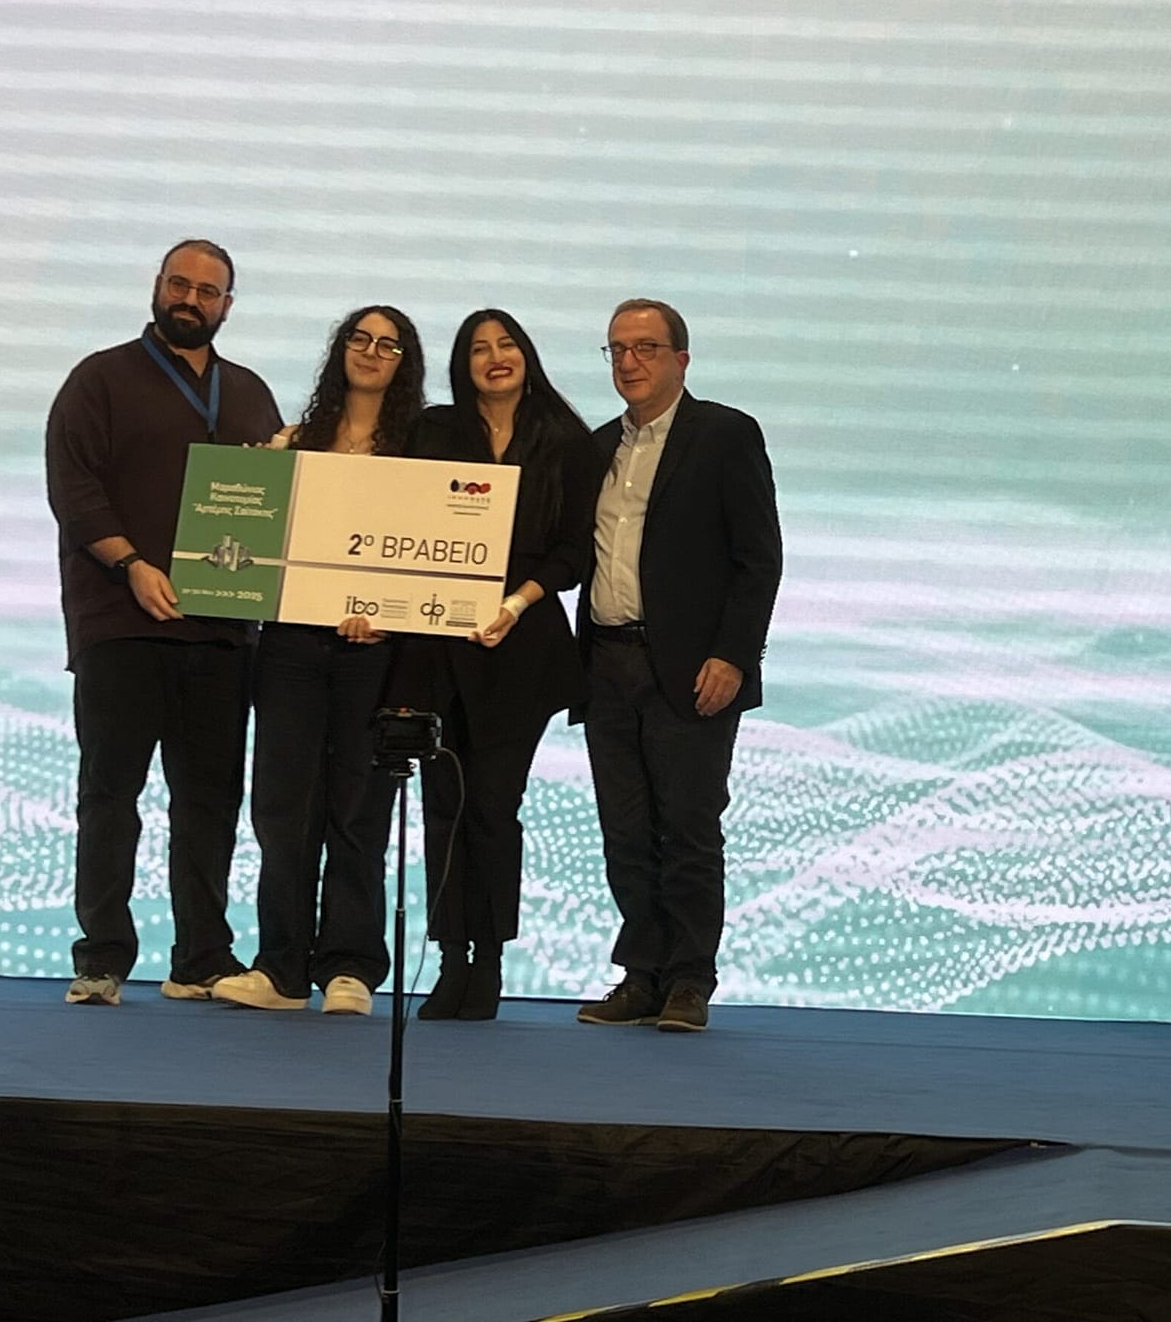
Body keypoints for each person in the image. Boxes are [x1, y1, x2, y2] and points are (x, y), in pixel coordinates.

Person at [44, 238, 283, 1005]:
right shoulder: (100, 378)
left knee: (211, 803)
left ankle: (202, 957)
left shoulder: (250, 393)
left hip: (220, 633)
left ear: (227, 306)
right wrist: (131, 565)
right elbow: (74, 488)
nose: (191, 299)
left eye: (208, 291)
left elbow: (280, 506)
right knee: (110, 795)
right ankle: (102, 957)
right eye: (180, 284)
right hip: (121, 621)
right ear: (157, 286)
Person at [575, 299, 782, 1034]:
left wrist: (734, 655)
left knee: (688, 830)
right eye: (617, 349)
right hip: (607, 664)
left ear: (681, 359)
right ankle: (642, 975)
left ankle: (690, 979)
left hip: (694, 672)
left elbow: (759, 559)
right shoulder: (596, 448)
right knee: (625, 832)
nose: (629, 362)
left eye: (646, 348)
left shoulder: (724, 435)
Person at [213, 307, 427, 1016]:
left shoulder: (419, 453)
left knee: (359, 810)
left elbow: (427, 560)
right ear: (341, 351)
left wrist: (390, 611)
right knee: (282, 810)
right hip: (290, 650)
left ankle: (350, 967)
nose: (371, 352)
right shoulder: (292, 445)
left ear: (405, 362)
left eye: (388, 345)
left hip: (373, 654)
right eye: (359, 339)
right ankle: (281, 968)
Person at [395, 310, 600, 1020]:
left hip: (522, 645)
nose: (494, 357)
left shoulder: (567, 440)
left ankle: (488, 961)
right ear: (463, 365)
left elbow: (575, 552)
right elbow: (398, 526)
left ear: (527, 355)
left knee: (492, 806)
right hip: (436, 645)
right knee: (443, 805)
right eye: (478, 349)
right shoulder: (433, 432)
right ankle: (450, 959)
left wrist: (515, 602)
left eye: (506, 344)